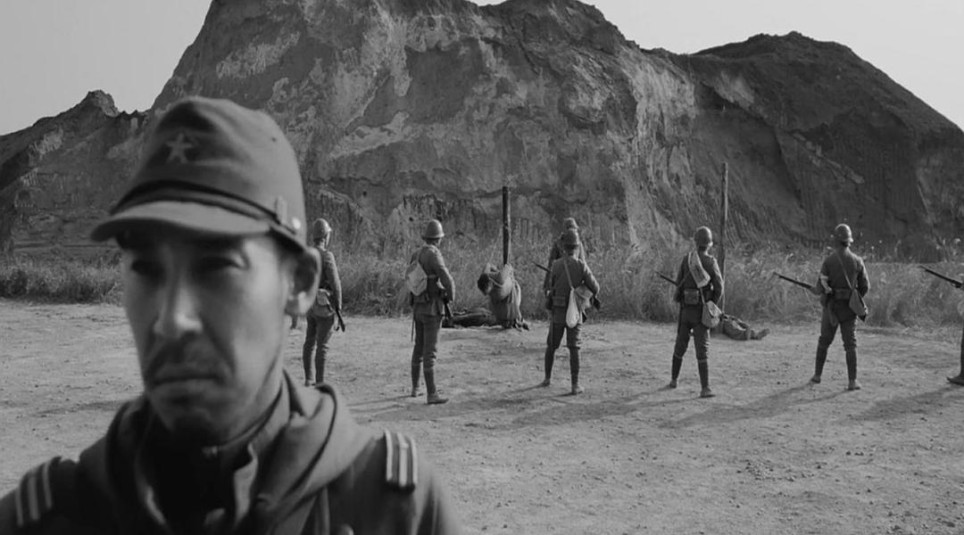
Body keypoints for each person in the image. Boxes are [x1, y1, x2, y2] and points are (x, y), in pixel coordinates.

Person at [0, 97, 460, 534]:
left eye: (215, 268)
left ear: (298, 283)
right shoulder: (45, 521)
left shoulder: (397, 513)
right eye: (145, 269)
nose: (171, 319)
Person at [808, 223, 870, 391]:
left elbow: (820, 287)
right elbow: (865, 287)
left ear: (835, 240)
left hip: (831, 308)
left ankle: (817, 375)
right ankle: (852, 381)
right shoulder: (857, 261)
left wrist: (816, 290)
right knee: (850, 344)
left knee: (824, 340)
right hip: (849, 309)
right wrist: (853, 299)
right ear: (849, 241)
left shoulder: (829, 261)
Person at [541, 229, 600, 395]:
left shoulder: (556, 265)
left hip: (558, 311)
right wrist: (580, 292)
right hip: (575, 312)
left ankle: (547, 378)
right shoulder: (581, 266)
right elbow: (596, 288)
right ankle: (575, 385)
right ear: (577, 246)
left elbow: (551, 286)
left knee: (551, 346)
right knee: (574, 348)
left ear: (563, 246)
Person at [668, 226, 724, 398]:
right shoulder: (711, 262)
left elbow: (679, 283)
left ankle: (673, 380)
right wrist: (711, 304)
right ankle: (705, 388)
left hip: (686, 311)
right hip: (701, 312)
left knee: (680, 345)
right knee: (702, 350)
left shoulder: (687, 259)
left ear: (696, 242)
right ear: (709, 244)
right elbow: (719, 288)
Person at [409, 219, 455, 404]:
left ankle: (415, 388)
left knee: (418, 348)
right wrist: (450, 297)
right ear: (438, 239)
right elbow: (447, 279)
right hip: (432, 309)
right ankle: (432, 394)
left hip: (418, 307)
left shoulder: (416, 254)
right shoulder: (434, 254)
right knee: (430, 352)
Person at [301, 217, 342, 386]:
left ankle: (308, 378)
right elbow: (336, 284)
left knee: (309, 341)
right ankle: (319, 383)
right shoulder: (327, 256)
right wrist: (338, 307)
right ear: (325, 236)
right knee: (322, 346)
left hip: (310, 304)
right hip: (324, 306)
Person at [476, 262, 527, 329]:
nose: (484, 294)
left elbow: (509, 266)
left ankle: (519, 321)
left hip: (514, 290)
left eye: (485, 290)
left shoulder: (500, 278)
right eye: (482, 291)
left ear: (490, 284)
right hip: (501, 293)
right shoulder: (484, 275)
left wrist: (505, 270)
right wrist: (495, 269)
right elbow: (488, 264)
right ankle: (508, 321)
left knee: (514, 313)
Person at [543, 217, 585, 292]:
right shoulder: (577, 245)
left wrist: (547, 287)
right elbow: (551, 265)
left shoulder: (558, 243)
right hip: (570, 282)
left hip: (562, 282)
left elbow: (551, 265)